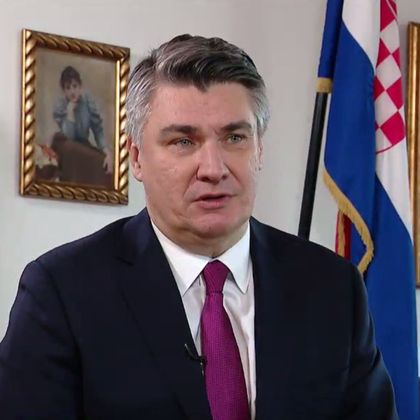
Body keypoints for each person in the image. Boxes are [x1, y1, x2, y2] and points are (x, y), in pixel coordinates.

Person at [0, 35, 398, 419]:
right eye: (183, 142)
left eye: (235, 137)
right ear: (136, 158)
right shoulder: (61, 292)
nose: (213, 169)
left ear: (260, 149)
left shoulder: (333, 288)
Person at [53, 65, 113, 175]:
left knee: (100, 160)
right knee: (72, 150)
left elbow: (97, 130)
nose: (72, 91)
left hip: (82, 145)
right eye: (68, 88)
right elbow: (69, 136)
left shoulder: (87, 101)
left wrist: (106, 151)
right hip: (65, 145)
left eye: (75, 86)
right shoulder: (62, 106)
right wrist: (70, 113)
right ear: (64, 91)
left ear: (80, 86)